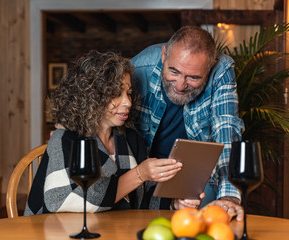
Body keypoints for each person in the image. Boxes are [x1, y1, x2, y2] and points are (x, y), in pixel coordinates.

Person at [24, 50, 201, 215]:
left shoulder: (131, 139)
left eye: (129, 93)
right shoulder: (65, 139)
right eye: (116, 93)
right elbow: (63, 201)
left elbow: (143, 201)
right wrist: (140, 173)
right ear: (91, 96)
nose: (128, 103)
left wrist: (175, 204)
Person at [131, 26, 245, 220]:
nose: (180, 85)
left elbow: (226, 129)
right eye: (174, 71)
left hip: (196, 177)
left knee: (210, 221)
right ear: (164, 54)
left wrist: (228, 197)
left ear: (211, 66)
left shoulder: (222, 70)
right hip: (144, 172)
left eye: (193, 77)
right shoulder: (138, 68)